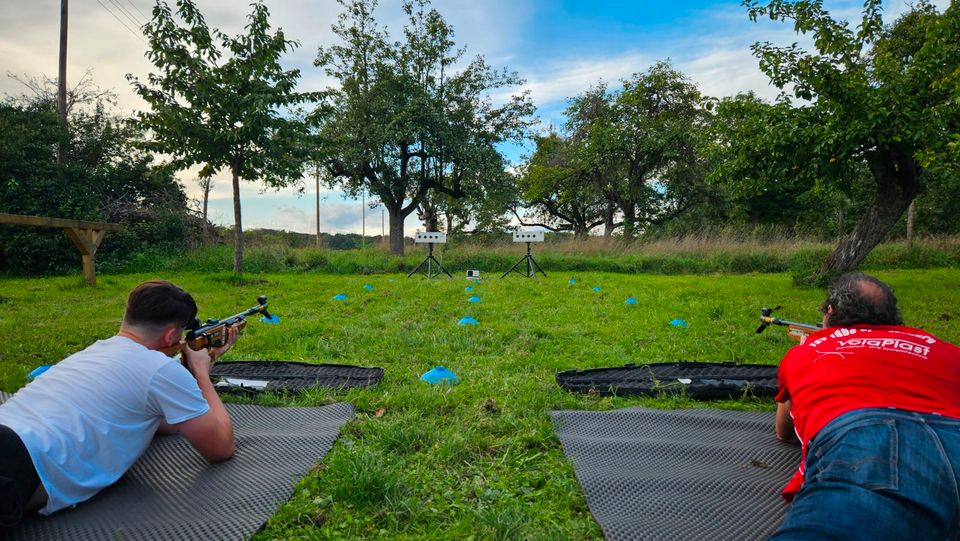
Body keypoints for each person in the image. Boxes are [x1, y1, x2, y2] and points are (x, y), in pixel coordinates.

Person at [0, 280, 237, 530]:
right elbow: (220, 447)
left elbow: (164, 423)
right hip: (19, 459)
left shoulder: (92, 352)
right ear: (170, 336)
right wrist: (201, 372)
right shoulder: (161, 369)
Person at [773, 272, 960, 539]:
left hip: (870, 436)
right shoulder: (946, 349)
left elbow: (785, 432)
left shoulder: (806, 351)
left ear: (830, 311)